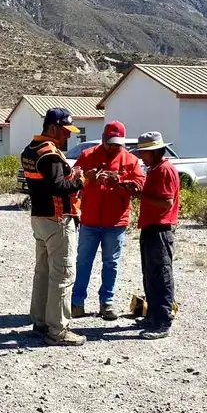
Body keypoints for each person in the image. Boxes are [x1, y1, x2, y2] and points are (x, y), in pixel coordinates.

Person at [21, 108, 86, 346]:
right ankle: (57, 330)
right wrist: (79, 179)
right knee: (62, 274)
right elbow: (58, 186)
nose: (68, 136)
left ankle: (40, 323)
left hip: (40, 218)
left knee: (43, 272)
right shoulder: (49, 154)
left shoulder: (31, 149)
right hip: (57, 219)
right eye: (65, 131)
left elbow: (48, 182)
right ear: (53, 128)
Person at [71, 121, 145, 320]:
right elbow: (73, 178)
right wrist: (87, 178)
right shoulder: (88, 156)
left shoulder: (130, 160)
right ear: (103, 139)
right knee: (83, 262)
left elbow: (139, 187)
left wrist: (119, 182)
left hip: (116, 223)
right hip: (90, 220)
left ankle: (107, 303)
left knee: (111, 263)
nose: (113, 147)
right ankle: (77, 303)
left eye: (117, 143)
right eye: (110, 142)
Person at [121, 131, 180, 339]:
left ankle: (162, 322)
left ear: (154, 152)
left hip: (160, 229)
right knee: (151, 275)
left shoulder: (164, 171)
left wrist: (139, 195)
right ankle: (153, 316)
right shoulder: (155, 169)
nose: (141, 156)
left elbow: (166, 203)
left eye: (144, 153)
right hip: (152, 228)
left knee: (161, 276)